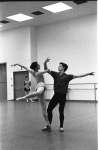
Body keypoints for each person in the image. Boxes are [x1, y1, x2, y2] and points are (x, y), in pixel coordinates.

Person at [43, 57, 95, 132]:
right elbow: (46, 70)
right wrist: (45, 62)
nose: (58, 67)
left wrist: (87, 74)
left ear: (63, 68)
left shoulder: (68, 76)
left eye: (60, 66)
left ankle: (61, 126)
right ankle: (49, 125)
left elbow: (78, 75)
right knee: (49, 109)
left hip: (62, 96)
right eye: (59, 66)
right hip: (56, 95)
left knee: (61, 110)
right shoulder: (55, 74)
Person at [12, 62, 51, 131]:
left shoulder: (32, 71)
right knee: (38, 92)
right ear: (36, 67)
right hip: (41, 85)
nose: (39, 66)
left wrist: (18, 64)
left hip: (39, 86)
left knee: (44, 107)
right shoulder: (37, 73)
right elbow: (47, 70)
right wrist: (45, 63)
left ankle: (48, 124)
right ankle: (24, 97)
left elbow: (24, 67)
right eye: (38, 65)